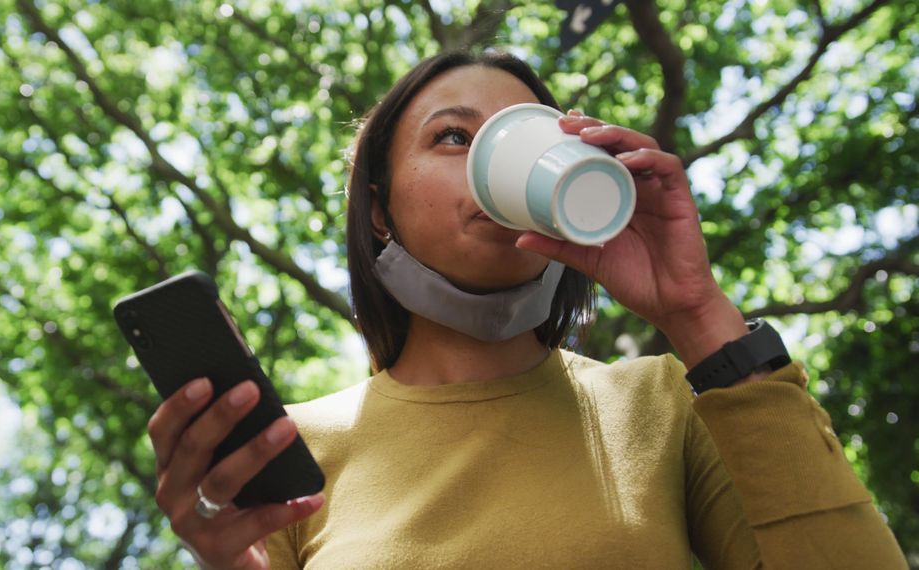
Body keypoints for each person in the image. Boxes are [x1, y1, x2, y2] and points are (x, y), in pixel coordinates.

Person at [146, 51, 907, 568]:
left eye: (532, 141)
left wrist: (699, 312)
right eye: (453, 137)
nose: (493, 164)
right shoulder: (293, 456)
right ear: (378, 211)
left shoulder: (668, 400)